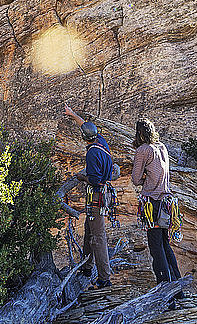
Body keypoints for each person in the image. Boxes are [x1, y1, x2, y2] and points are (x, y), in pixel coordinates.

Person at [131, 117, 184, 308]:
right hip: (167, 203)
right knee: (165, 245)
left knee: (156, 248)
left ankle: (164, 292)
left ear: (139, 133)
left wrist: (144, 175)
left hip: (151, 204)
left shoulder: (142, 150)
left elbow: (135, 179)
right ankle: (178, 290)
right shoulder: (162, 147)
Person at [64, 103, 113, 288]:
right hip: (103, 195)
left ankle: (104, 278)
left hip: (96, 197)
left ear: (84, 139)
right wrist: (72, 114)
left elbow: (94, 179)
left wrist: (80, 177)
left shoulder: (92, 153)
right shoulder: (101, 142)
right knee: (89, 230)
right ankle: (86, 266)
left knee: (98, 236)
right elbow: (84, 124)